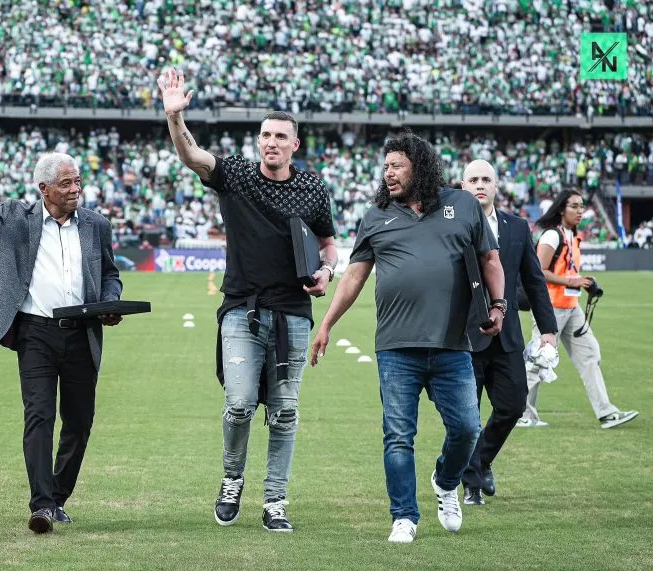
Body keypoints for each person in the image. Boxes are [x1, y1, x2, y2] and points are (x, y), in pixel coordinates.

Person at [159, 69, 338, 533]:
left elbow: (329, 243)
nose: (271, 142)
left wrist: (326, 271)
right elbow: (191, 155)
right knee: (238, 403)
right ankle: (232, 479)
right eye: (265, 135)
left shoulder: (313, 187)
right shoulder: (236, 174)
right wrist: (175, 117)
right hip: (241, 309)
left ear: (295, 145)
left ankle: (275, 500)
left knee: (284, 411)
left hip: (294, 313)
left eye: (280, 136)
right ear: (258, 141)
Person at [310, 132, 505, 544]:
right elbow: (355, 275)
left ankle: (445, 481)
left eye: (396, 165)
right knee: (398, 435)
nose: (388, 173)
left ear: (420, 166)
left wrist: (499, 305)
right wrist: (327, 323)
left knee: (468, 428)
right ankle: (404, 516)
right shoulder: (376, 215)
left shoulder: (464, 205)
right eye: (385, 167)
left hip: (453, 345)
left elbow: (490, 259)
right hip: (396, 347)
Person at [0, 129, 123, 535]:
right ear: (43, 188)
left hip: (82, 333)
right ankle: (41, 505)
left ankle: (57, 498)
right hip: (35, 334)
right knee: (38, 416)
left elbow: (110, 274)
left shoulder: (96, 225)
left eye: (77, 181)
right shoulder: (12, 219)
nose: (75, 189)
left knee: (79, 422)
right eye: (66, 183)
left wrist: (110, 302)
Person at [459, 160, 558, 505]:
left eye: (486, 179)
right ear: (463, 185)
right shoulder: (451, 225)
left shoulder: (517, 227)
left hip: (508, 336)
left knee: (513, 406)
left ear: (497, 186)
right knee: (467, 416)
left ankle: (481, 461)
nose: (480, 185)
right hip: (465, 337)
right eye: (474, 179)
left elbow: (534, 279)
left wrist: (548, 329)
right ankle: (471, 484)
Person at [520, 189, 638, 429]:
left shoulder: (572, 235)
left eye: (582, 206)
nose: (580, 211)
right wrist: (572, 281)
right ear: (562, 209)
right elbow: (538, 272)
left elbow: (566, 271)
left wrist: (582, 281)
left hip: (570, 307)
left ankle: (606, 413)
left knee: (590, 354)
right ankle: (522, 414)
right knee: (538, 362)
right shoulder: (552, 236)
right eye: (574, 206)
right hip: (550, 308)